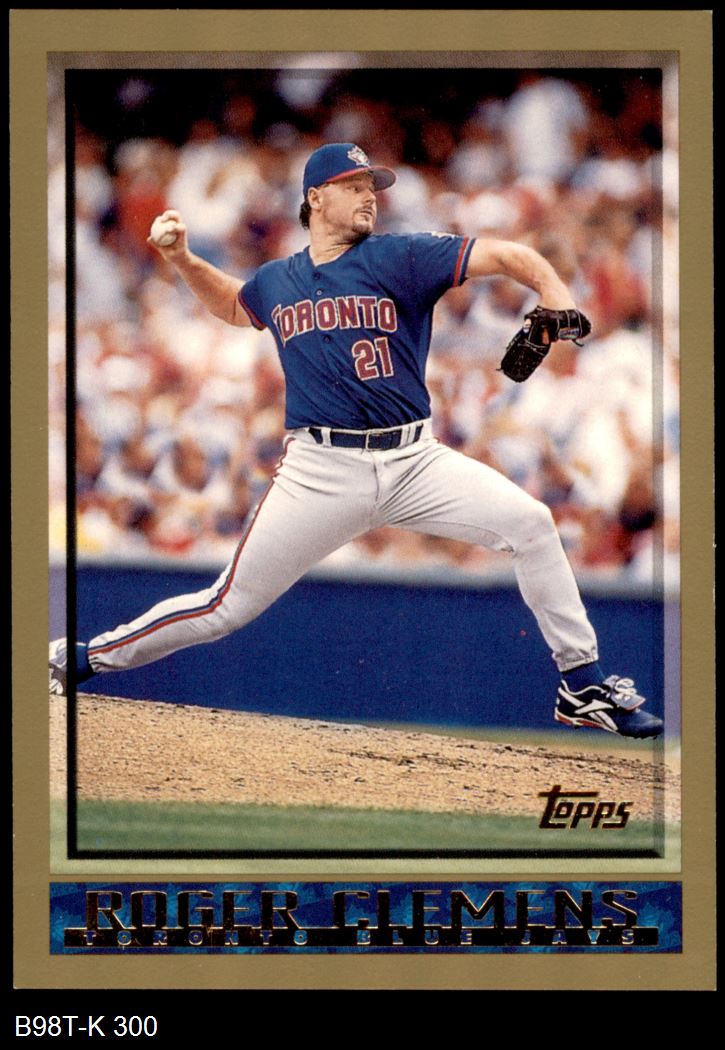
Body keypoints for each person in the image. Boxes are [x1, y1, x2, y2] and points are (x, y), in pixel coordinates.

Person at [50, 142, 663, 739]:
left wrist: (554, 293)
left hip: (415, 460)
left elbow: (507, 254)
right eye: (354, 186)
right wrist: (184, 259)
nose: (369, 196)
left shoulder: (402, 256)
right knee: (224, 607)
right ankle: (85, 657)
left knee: (531, 523)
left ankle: (582, 683)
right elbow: (235, 305)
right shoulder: (279, 279)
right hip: (321, 471)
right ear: (316, 198)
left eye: (372, 187)